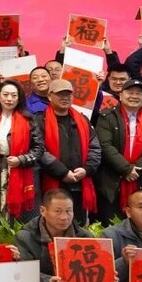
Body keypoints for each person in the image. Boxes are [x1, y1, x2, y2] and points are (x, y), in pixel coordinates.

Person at [94, 79, 142, 221]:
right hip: (112, 181)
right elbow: (104, 145)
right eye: (130, 93)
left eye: (139, 93)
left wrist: (135, 169)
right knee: (110, 224)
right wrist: (126, 169)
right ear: (120, 96)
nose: (134, 96)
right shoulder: (107, 116)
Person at [0, 81, 43, 221]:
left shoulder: (29, 119)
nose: (9, 99)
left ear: (19, 98)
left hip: (19, 169)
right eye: (5, 95)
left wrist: (21, 160)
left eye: (14, 95)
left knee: (16, 213)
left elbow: (39, 148)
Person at [38, 79, 101, 224]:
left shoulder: (82, 120)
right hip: (53, 181)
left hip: (80, 182)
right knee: (53, 223)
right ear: (49, 96)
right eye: (60, 94)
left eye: (68, 94)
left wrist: (86, 169)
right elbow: (40, 150)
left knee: (78, 225)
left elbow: (95, 148)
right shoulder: (40, 120)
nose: (65, 98)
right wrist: (63, 172)